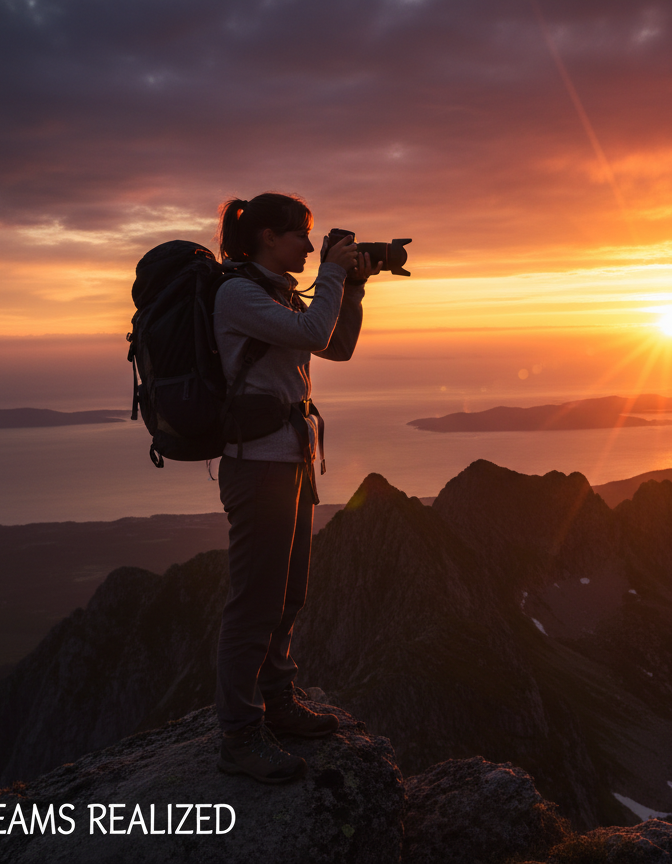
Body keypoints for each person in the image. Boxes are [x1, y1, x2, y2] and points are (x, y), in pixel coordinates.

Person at [211, 192, 377, 783]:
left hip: (292, 459)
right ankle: (238, 734)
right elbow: (312, 329)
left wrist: (351, 287)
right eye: (300, 236)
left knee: (288, 596)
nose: (310, 246)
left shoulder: (275, 291)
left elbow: (336, 344)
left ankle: (277, 703)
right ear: (264, 238)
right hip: (257, 465)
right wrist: (332, 271)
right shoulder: (238, 293)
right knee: (254, 603)